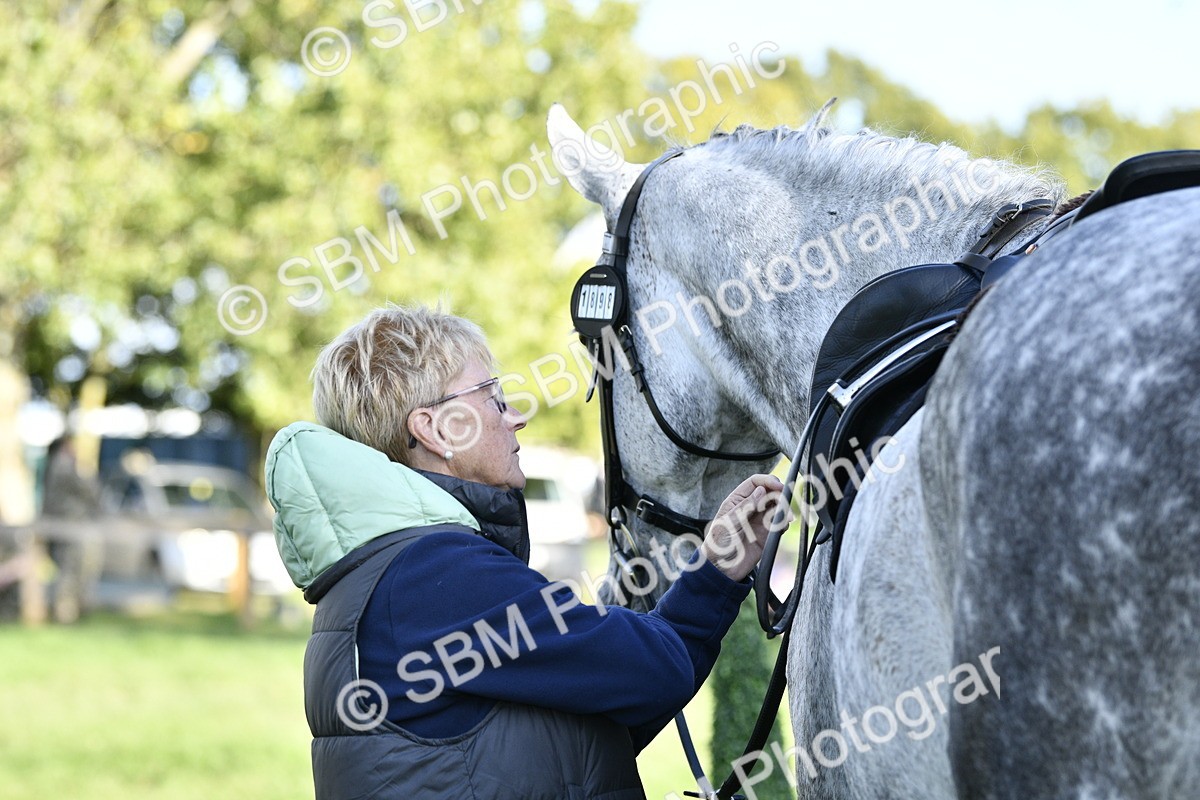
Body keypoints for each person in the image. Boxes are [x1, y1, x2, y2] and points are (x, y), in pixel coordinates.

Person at [266, 305, 785, 800]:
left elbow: (592, 728)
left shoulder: (390, 576)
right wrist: (713, 575)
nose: (515, 417)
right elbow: (652, 673)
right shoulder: (434, 574)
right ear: (434, 429)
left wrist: (718, 566)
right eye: (492, 396)